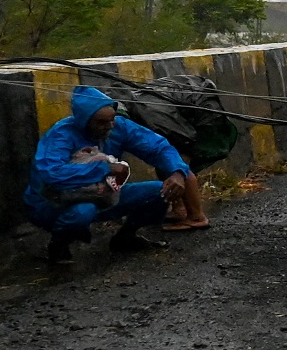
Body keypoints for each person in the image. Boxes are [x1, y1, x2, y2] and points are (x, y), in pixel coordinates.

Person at [25, 85, 194, 263]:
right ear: (84, 121)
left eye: (112, 119)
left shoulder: (119, 127)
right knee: (83, 211)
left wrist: (177, 171)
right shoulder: (61, 135)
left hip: (103, 194)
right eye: (101, 122)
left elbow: (158, 147)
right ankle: (59, 244)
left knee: (160, 192)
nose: (109, 126)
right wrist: (103, 168)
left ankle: (126, 236)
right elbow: (51, 173)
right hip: (54, 201)